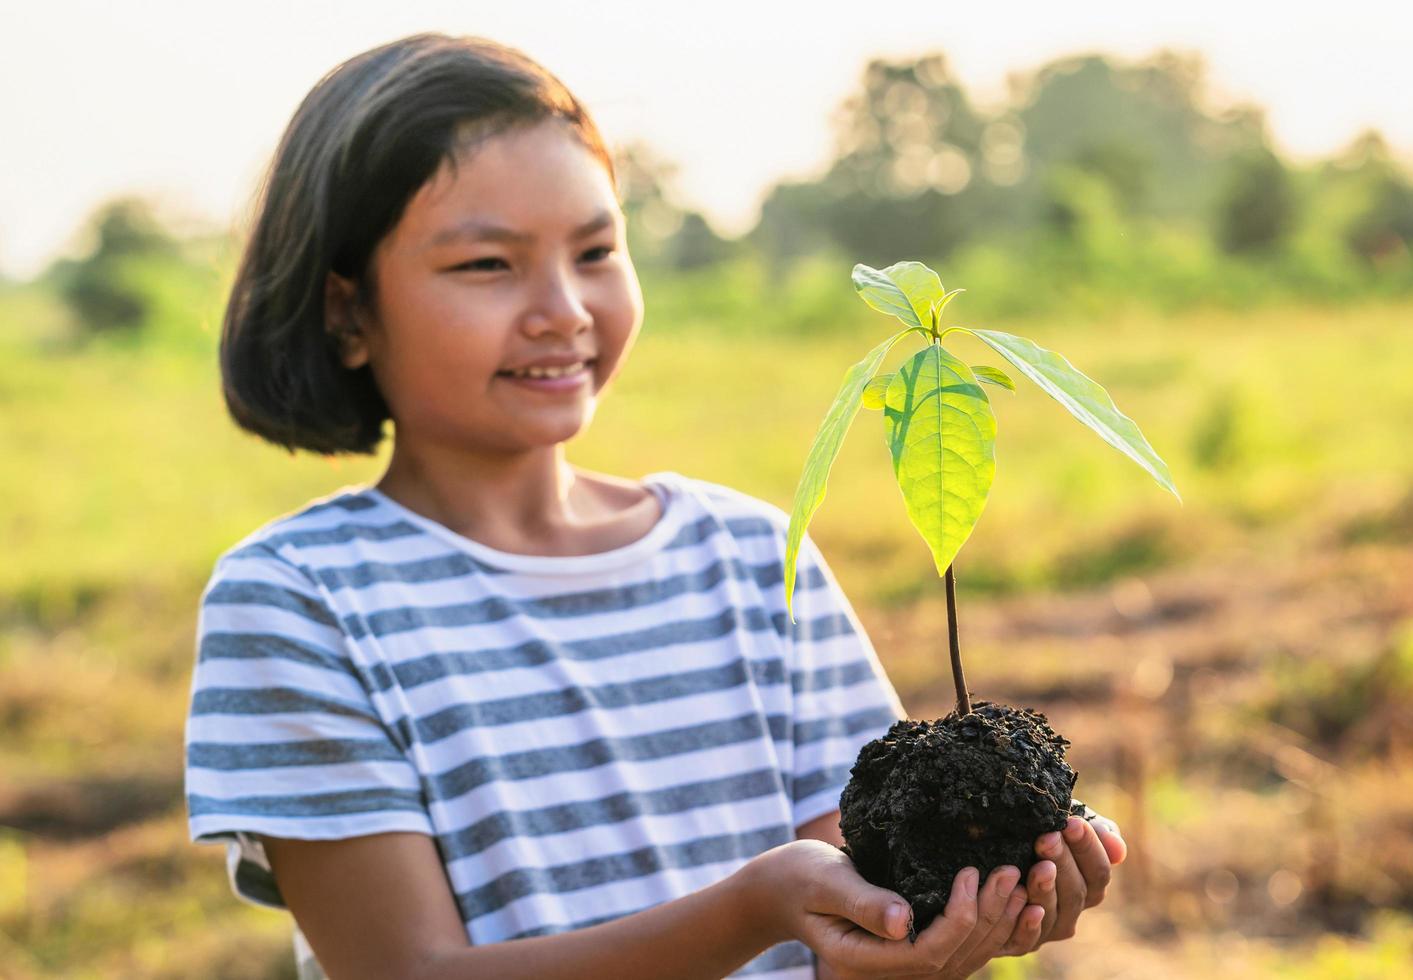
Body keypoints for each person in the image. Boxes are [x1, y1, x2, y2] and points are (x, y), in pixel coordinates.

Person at [183, 33, 1125, 980]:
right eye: (487, 265)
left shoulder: (750, 555)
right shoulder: (298, 601)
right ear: (346, 311)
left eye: (595, 250)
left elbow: (859, 918)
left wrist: (934, 928)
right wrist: (752, 911)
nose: (564, 308)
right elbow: (403, 972)